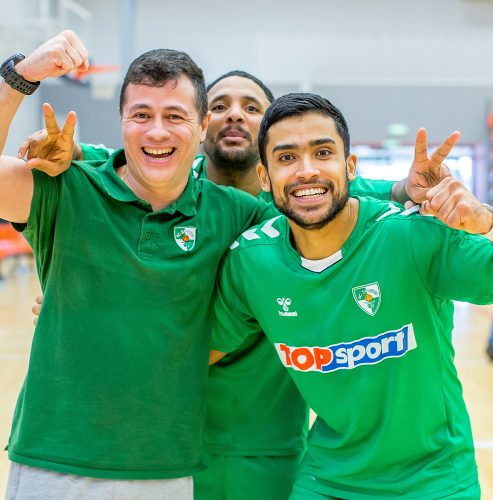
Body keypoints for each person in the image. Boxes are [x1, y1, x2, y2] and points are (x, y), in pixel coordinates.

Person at [24, 68, 465, 499]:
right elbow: (112, 162)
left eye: (252, 107)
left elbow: (374, 192)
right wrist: (87, 306)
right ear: (199, 124)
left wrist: (413, 190)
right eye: (219, 105)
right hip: (165, 442)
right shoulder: (160, 188)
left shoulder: (302, 199)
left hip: (266, 443)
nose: (234, 115)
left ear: (270, 133)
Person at [0, 31, 285, 499]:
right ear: (121, 123)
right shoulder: (66, 188)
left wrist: (406, 196)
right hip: (52, 463)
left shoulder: (236, 214)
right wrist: (20, 76)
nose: (156, 131)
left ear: (200, 127)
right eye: (141, 115)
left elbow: (322, 212)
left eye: (174, 116)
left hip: (165, 472)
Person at [209, 93, 493, 499]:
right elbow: (202, 353)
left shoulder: (412, 236)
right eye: (287, 157)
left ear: (349, 167)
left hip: (435, 480)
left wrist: (487, 221)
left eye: (322, 152)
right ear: (264, 176)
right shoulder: (251, 262)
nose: (306, 171)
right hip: (327, 481)